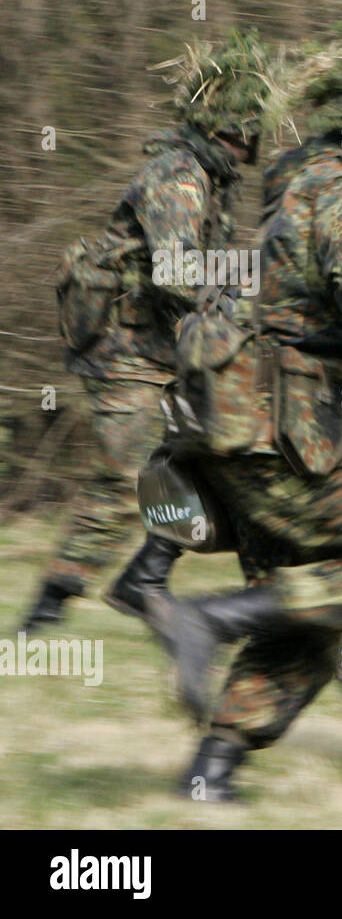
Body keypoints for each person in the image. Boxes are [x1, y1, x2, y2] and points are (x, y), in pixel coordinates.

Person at [143, 17, 342, 800]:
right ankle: (209, 620)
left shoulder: (303, 173)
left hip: (245, 417)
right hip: (285, 420)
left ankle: (210, 775)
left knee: (311, 613)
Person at [19, 31, 276, 634]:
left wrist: (252, 284)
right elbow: (179, 272)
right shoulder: (181, 177)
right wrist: (243, 294)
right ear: (225, 129)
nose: (249, 144)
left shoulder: (211, 181)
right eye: (244, 131)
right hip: (124, 350)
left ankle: (142, 580)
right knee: (128, 473)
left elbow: (203, 269)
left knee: (211, 454)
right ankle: (48, 605)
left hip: (162, 346)